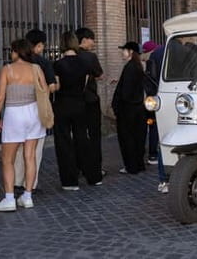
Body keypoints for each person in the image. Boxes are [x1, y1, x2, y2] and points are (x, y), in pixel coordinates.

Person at [0, 39, 48, 211]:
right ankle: (28, 196)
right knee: (30, 157)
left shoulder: (7, 69)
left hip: (14, 114)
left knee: (8, 159)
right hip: (33, 114)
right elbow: (44, 90)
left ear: (16, 51)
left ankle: (9, 198)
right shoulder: (36, 69)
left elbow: (0, 96)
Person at [54, 31, 102, 190]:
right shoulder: (85, 64)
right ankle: (94, 176)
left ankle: (70, 181)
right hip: (80, 104)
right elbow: (85, 84)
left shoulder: (58, 64)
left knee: (64, 142)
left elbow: (57, 86)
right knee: (83, 139)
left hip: (62, 105)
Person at [14, 29, 58, 193]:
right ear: (38, 45)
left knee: (19, 148)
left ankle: (16, 181)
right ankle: (30, 184)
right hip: (37, 110)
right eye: (41, 46)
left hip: (16, 110)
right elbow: (52, 87)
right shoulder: (43, 62)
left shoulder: (16, 61)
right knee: (35, 149)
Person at [112, 42, 146, 174]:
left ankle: (131, 166)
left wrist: (117, 106)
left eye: (124, 50)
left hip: (128, 109)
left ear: (131, 52)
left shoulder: (130, 67)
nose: (122, 53)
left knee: (127, 138)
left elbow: (125, 91)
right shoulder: (137, 66)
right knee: (138, 137)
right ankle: (138, 164)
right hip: (138, 107)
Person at [75, 27, 105, 176]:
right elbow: (99, 74)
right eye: (92, 39)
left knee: (79, 134)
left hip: (75, 101)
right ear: (85, 39)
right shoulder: (90, 57)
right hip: (91, 100)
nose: (93, 43)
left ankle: (79, 165)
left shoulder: (70, 56)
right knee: (94, 134)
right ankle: (95, 167)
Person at [145, 42, 169, 193]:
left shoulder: (156, 54)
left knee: (163, 140)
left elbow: (150, 78)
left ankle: (164, 180)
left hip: (161, 98)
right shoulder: (186, 50)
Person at [140, 41, 160, 165]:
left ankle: (148, 153)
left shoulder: (141, 63)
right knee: (153, 127)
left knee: (149, 125)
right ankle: (153, 154)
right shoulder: (150, 64)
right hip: (152, 101)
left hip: (146, 101)